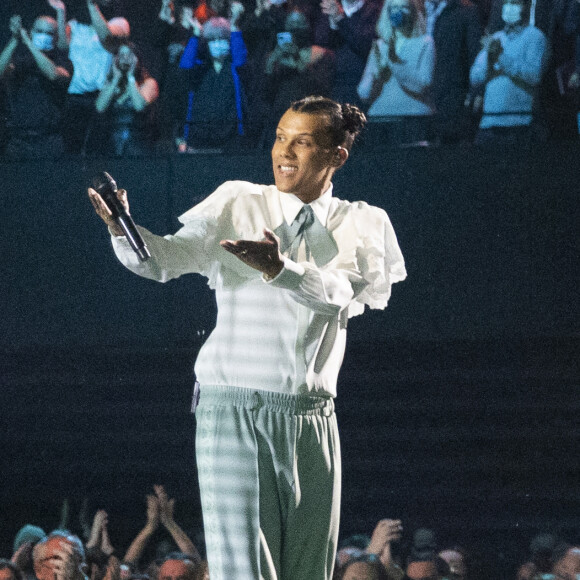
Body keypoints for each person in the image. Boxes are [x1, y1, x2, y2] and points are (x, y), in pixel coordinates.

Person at [88, 95, 406, 580]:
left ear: (337, 156)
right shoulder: (238, 202)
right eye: (280, 137)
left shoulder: (362, 221)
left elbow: (339, 293)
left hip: (314, 418)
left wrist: (282, 269)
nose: (285, 151)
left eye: (302, 142)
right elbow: (164, 260)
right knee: (244, 572)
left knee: (308, 571)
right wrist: (122, 228)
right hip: (235, 409)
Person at [47, 0, 130, 153]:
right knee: (72, 150)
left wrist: (93, 6)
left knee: (97, 149)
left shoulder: (119, 23)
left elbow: (106, 36)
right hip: (75, 96)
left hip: (101, 96)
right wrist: (60, 12)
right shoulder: (75, 25)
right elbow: (62, 45)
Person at [469, 0, 549, 146]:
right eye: (507, 2)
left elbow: (534, 75)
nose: (509, 7)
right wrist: (490, 65)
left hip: (519, 124)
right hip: (489, 123)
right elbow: (475, 76)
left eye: (515, 3)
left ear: (527, 6)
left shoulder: (535, 37)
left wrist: (500, 57)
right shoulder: (496, 37)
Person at [357, 0, 435, 146]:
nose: (397, 12)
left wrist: (394, 63)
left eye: (403, 7)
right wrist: (377, 75)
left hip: (412, 120)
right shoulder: (380, 46)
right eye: (393, 8)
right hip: (381, 121)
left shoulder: (425, 43)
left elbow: (422, 84)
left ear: (413, 11)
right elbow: (363, 92)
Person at [0, 14, 71, 158]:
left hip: (49, 140)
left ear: (56, 36)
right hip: (19, 140)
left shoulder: (62, 61)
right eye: (39, 31)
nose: (43, 36)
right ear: (31, 31)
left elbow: (53, 74)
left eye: (49, 33)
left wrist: (27, 41)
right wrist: (15, 38)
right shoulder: (20, 59)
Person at [95, 41, 159, 156]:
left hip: (138, 146)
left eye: (129, 55)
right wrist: (115, 79)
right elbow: (99, 107)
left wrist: (130, 77)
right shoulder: (111, 83)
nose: (125, 59)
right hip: (111, 147)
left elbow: (139, 106)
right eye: (121, 55)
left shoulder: (148, 83)